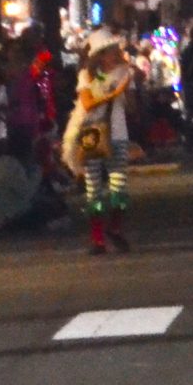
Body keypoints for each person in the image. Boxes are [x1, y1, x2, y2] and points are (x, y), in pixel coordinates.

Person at [61, 32, 138, 255]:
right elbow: (86, 102)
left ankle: (114, 228)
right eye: (112, 50)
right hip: (91, 133)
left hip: (118, 133)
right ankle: (97, 239)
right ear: (101, 55)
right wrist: (114, 92)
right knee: (94, 187)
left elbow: (131, 108)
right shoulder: (87, 75)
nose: (117, 53)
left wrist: (130, 89)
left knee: (119, 187)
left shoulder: (125, 73)